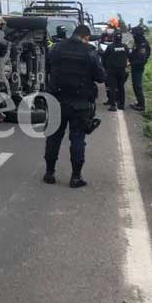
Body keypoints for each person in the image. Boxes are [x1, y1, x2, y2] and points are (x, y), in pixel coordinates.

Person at [44, 24, 106, 188]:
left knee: (53, 137)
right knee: (78, 139)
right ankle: (75, 177)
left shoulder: (57, 48)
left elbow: (46, 66)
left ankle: (49, 173)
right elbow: (101, 77)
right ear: (85, 37)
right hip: (80, 103)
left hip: (57, 100)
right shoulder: (89, 52)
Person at [102, 33, 130, 112]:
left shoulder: (110, 47)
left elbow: (104, 57)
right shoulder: (125, 47)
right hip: (122, 70)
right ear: (121, 38)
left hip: (112, 70)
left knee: (112, 88)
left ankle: (113, 105)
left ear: (114, 38)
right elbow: (129, 56)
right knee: (121, 87)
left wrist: (105, 67)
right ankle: (122, 105)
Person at [128, 25, 152, 111]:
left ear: (138, 35)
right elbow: (133, 54)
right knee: (135, 85)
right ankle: (139, 102)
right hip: (135, 67)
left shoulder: (143, 45)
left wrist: (130, 63)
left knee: (137, 86)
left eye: (134, 34)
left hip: (138, 68)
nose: (133, 36)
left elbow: (141, 60)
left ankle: (141, 105)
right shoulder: (138, 43)